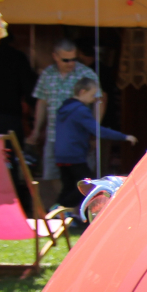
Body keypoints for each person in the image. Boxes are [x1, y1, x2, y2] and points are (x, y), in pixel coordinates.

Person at [54, 79, 134, 212]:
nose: (93, 100)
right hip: (74, 154)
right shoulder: (80, 110)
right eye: (92, 95)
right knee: (87, 185)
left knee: (68, 186)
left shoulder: (63, 108)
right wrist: (124, 137)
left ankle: (59, 211)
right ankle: (60, 207)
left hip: (61, 154)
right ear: (82, 92)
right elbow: (97, 130)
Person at [29, 38, 99, 183]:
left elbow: (99, 101)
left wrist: (95, 129)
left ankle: (79, 206)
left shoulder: (86, 73)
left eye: (73, 59)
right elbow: (42, 102)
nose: (70, 63)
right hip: (53, 136)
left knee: (80, 182)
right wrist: (36, 130)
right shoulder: (47, 74)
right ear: (55, 56)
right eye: (65, 60)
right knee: (50, 179)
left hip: (78, 138)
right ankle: (55, 205)